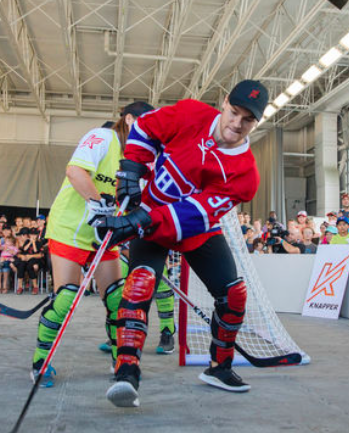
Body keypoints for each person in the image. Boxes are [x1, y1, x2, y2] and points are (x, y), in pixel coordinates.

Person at [90, 80, 268, 407]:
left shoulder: (245, 174)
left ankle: (219, 367)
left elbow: (194, 213)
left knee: (233, 294)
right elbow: (145, 128)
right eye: (233, 112)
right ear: (224, 102)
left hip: (193, 228)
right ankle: (126, 372)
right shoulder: (190, 113)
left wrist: (138, 221)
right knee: (140, 285)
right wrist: (132, 168)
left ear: (256, 123)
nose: (236, 123)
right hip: (150, 214)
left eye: (247, 119)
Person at [31, 101, 156, 388]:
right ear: (129, 119)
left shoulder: (142, 158)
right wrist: (99, 206)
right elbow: (75, 172)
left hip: (105, 234)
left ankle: (120, 361)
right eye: (146, 124)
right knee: (67, 298)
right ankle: (41, 360)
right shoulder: (103, 138)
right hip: (70, 228)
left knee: (116, 299)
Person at [15, 228, 43, 294]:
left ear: (37, 235)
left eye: (34, 235)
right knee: (21, 265)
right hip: (26, 258)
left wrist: (33, 243)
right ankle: (20, 286)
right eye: (31, 234)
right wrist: (30, 242)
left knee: (30, 266)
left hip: (35, 259)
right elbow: (24, 249)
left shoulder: (39, 242)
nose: (33, 236)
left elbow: (36, 251)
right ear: (29, 235)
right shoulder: (27, 241)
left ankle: (35, 286)